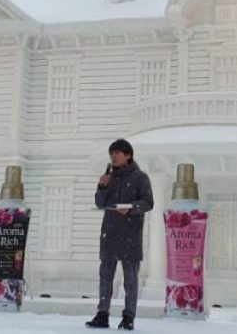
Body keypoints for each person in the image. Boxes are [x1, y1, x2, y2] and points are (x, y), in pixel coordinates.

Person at [86, 139, 154, 331]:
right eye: (111, 154)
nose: (113, 157)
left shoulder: (140, 177)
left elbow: (148, 203)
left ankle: (128, 317)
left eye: (117, 153)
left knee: (130, 280)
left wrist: (131, 208)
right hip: (109, 234)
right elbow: (100, 203)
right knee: (105, 277)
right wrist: (102, 186)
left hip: (131, 235)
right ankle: (102, 314)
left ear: (128, 155)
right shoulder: (109, 178)